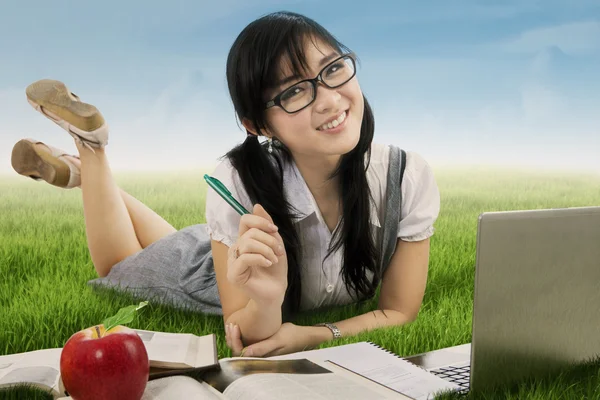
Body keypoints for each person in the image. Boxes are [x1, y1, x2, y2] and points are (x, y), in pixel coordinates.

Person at [10, 11, 440, 357]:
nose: (329, 98)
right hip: (228, 268)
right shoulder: (236, 182)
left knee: (179, 241)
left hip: (223, 240)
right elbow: (244, 332)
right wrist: (268, 302)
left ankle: (87, 179)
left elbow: (399, 311)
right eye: (293, 92)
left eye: (333, 69)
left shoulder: (405, 175)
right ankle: (93, 148)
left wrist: (315, 335)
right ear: (258, 126)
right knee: (120, 265)